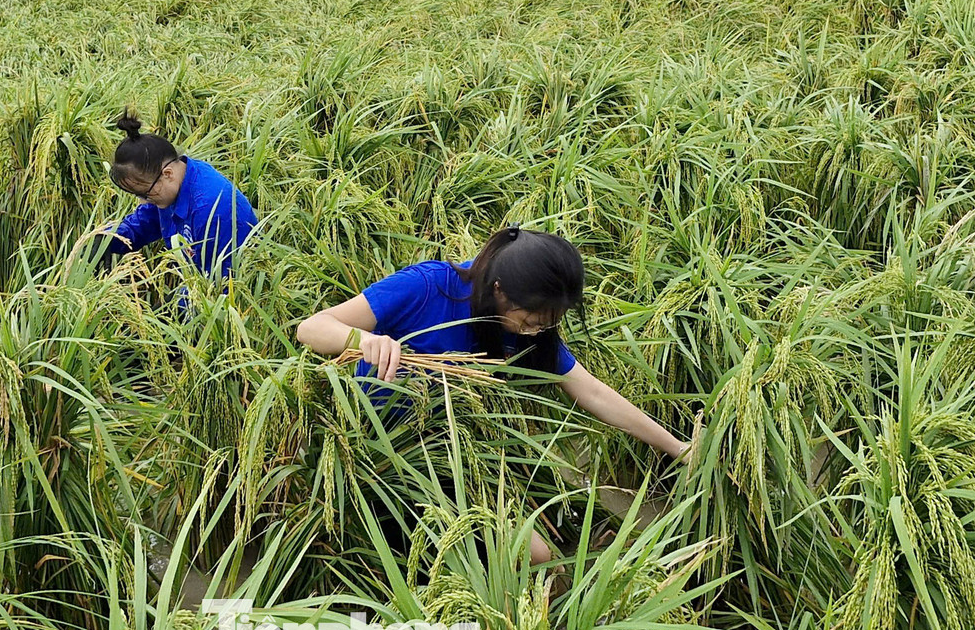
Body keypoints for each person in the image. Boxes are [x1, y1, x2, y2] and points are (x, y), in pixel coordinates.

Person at [295, 227, 693, 562]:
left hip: (449, 454)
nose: (534, 332)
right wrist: (366, 339)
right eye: (531, 321)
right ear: (499, 290)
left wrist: (677, 448)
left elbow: (593, 391)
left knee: (538, 556)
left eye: (546, 325)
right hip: (372, 446)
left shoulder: (531, 326)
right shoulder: (428, 287)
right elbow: (311, 328)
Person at [96, 115, 258, 279]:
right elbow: (146, 220)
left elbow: (215, 285)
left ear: (167, 174)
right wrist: (108, 238)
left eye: (145, 194)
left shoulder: (212, 213)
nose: (142, 201)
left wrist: (177, 302)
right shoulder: (168, 184)